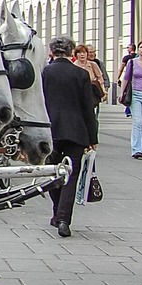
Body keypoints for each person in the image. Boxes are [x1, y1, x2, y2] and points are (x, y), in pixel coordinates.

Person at [41, 36, 99, 238]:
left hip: (51, 130)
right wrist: (92, 137)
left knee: (53, 172)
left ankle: (57, 212)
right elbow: (87, 107)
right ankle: (64, 219)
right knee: (71, 175)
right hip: (76, 130)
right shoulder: (81, 74)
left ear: (52, 52)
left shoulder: (45, 73)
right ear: (71, 52)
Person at [73, 44, 106, 111]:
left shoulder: (93, 64)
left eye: (84, 52)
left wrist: (103, 91)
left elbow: (100, 79)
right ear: (76, 54)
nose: (82, 55)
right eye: (79, 52)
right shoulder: (73, 66)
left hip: (91, 94)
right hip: (78, 95)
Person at [119, 42, 137, 115]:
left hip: (128, 77)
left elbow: (121, 68)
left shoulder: (126, 58)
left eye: (128, 48)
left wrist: (118, 77)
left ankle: (128, 109)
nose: (127, 49)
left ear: (131, 49)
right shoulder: (137, 57)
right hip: (136, 78)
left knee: (128, 93)